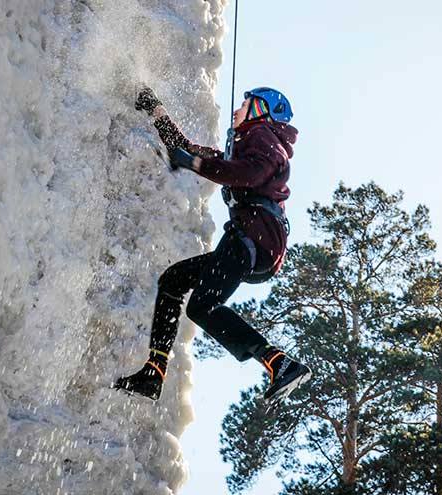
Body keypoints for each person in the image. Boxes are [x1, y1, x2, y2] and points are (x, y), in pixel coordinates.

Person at [113, 85, 311, 405]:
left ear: (263, 110)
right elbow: (187, 150)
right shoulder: (246, 147)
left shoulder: (263, 135)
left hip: (254, 238)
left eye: (245, 105)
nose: (238, 110)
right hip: (252, 242)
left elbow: (250, 172)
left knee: (202, 306)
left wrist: (199, 166)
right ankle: (154, 371)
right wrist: (155, 110)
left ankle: (279, 362)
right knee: (173, 281)